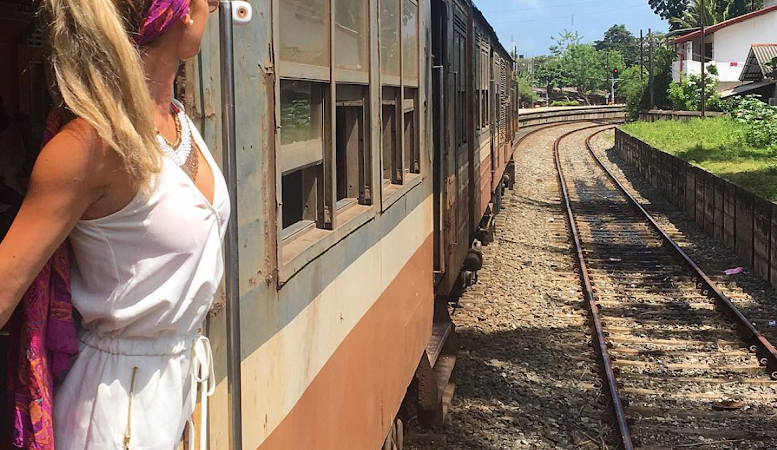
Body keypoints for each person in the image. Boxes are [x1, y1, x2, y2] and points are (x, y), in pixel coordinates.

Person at [0, 0, 228, 448]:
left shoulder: (176, 120)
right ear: (177, 11)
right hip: (112, 410)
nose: (216, 5)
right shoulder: (91, 145)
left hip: (167, 389)